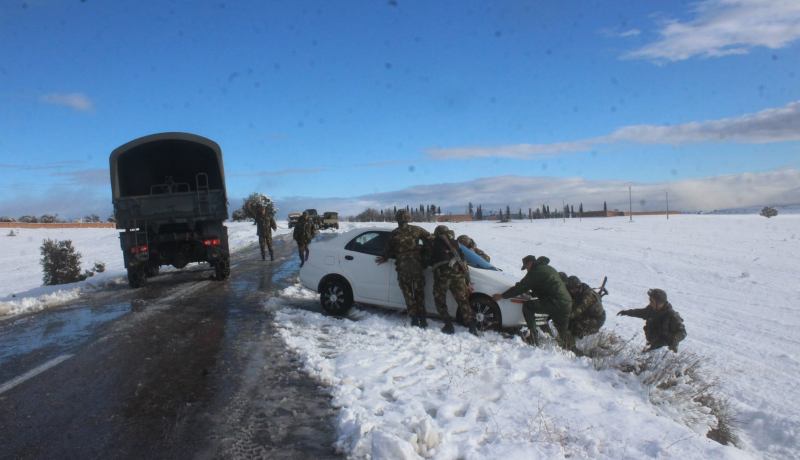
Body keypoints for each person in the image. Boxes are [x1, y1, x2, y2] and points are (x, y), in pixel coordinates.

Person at [492, 255, 574, 350]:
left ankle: (534, 338)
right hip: (566, 302)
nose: (527, 270)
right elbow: (546, 285)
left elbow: (520, 287)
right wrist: (532, 292)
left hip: (555, 302)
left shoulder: (535, 272)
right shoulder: (547, 268)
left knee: (528, 307)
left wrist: (502, 296)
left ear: (530, 263)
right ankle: (575, 351)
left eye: (526, 267)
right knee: (563, 332)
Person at [376, 209, 431, 328]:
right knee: (419, 293)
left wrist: (384, 257)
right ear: (408, 218)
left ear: (397, 219)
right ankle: (423, 318)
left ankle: (414, 318)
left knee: (408, 294)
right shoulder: (417, 230)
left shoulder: (395, 233)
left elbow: (388, 250)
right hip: (417, 266)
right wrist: (425, 255)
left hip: (403, 268)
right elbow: (430, 240)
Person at [431, 225, 478, 335]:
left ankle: (448, 325)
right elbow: (463, 259)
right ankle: (472, 326)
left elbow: (429, 259)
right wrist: (467, 280)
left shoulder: (434, 243)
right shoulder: (455, 243)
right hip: (458, 276)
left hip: (442, 277)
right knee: (463, 301)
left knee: (440, 300)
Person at [617, 288, 686, 352]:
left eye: (652, 301)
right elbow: (641, 312)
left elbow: (683, 333)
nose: (650, 303)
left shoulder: (671, 315)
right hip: (653, 345)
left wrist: (674, 341)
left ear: (660, 303)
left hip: (664, 349)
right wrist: (626, 312)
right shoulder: (651, 310)